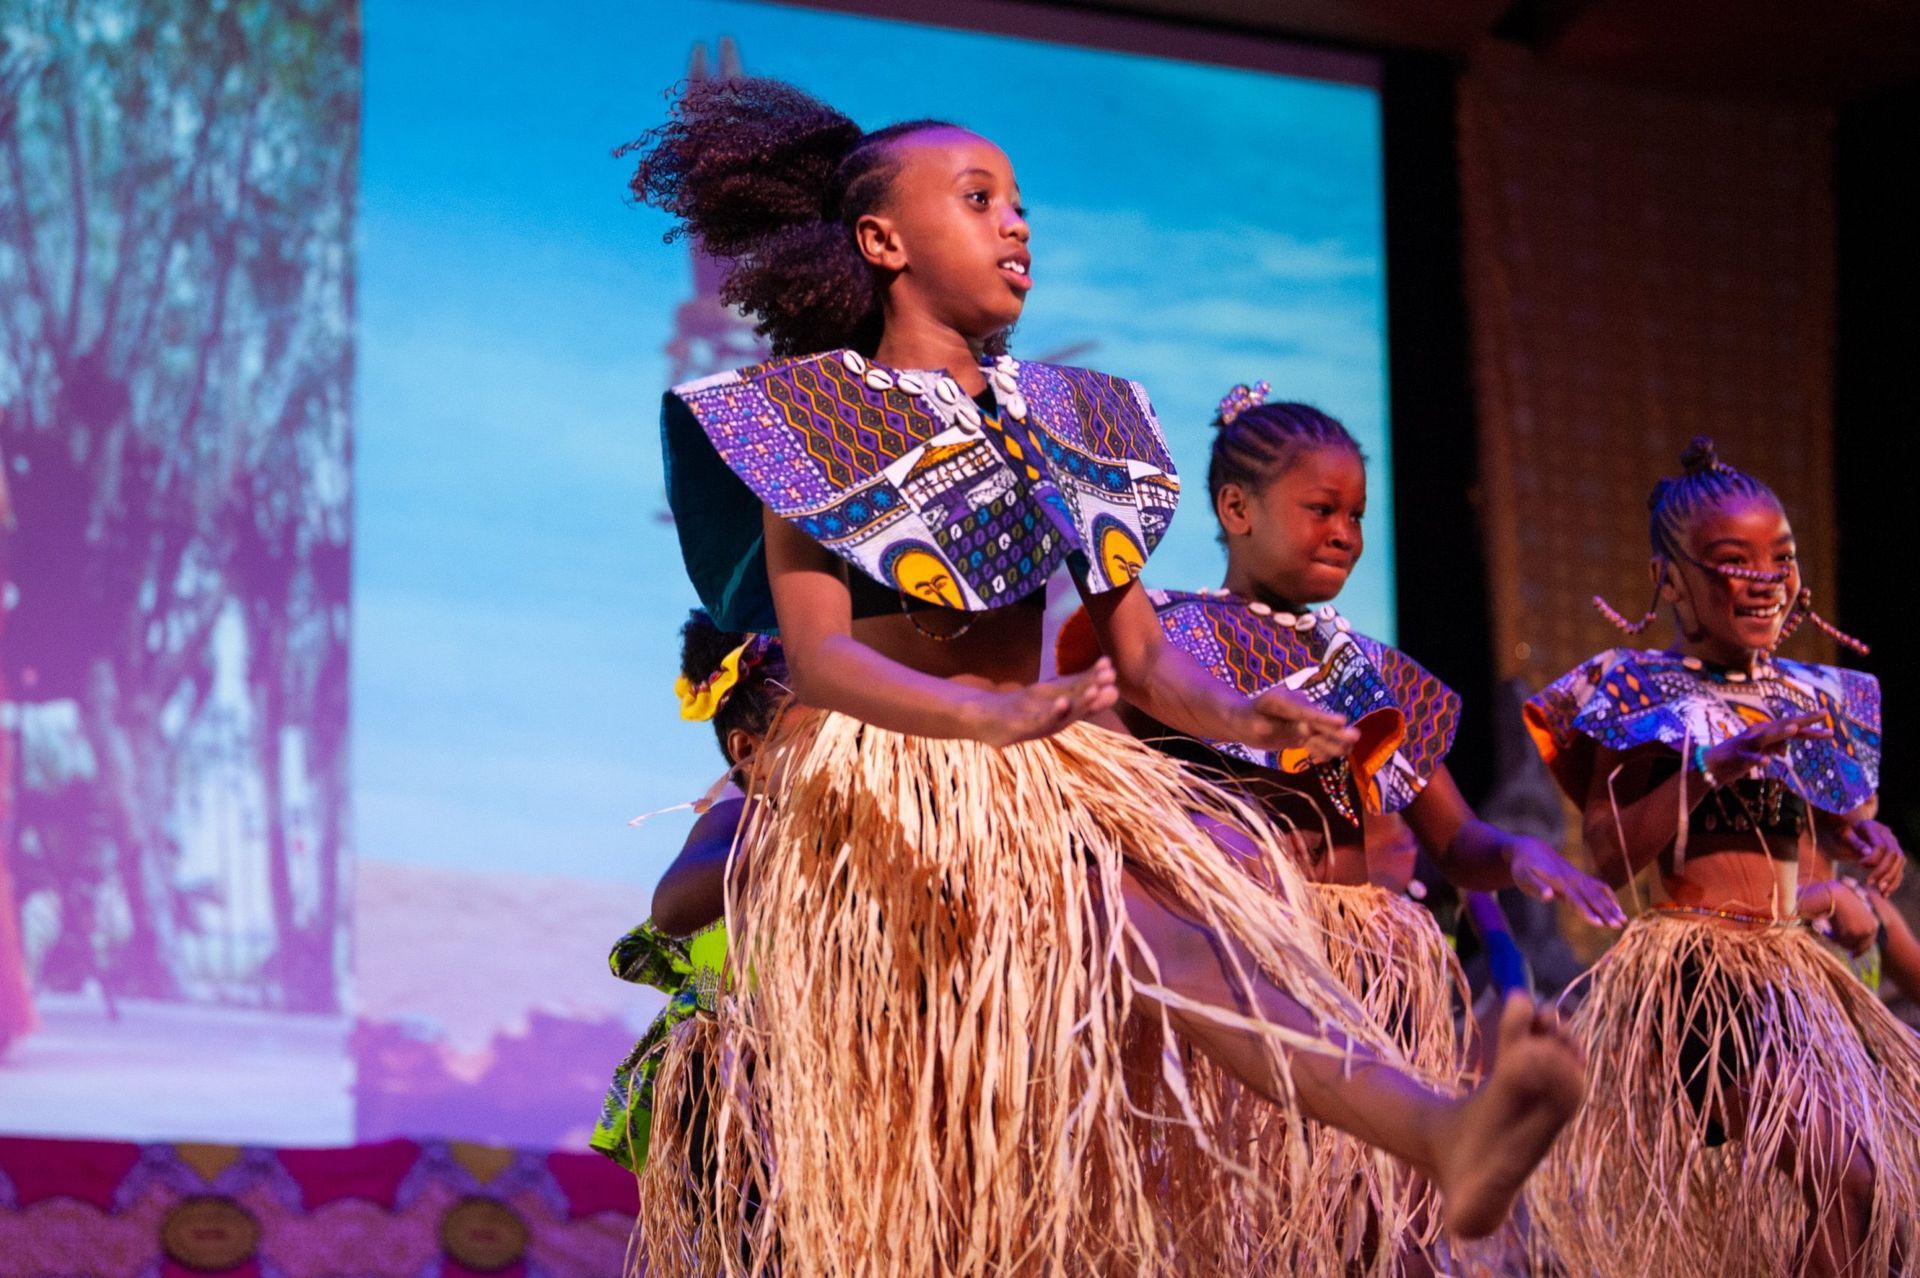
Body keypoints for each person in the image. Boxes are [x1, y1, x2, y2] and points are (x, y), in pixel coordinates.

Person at [625, 76, 1585, 1275]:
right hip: (882, 792)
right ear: (883, 243)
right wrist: (988, 711)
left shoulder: (1073, 423)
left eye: (1020, 202)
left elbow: (1142, 656)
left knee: (1180, 945)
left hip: (1030, 777)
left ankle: (1438, 1132)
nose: (1017, 223)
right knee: (985, 1089)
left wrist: (1240, 710)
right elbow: (819, 661)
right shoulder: (805, 420)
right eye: (979, 200)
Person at [1055, 386, 1620, 1271]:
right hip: (1236, 955)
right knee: (1246, 1222)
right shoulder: (1162, 640)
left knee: (1377, 1222)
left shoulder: (1371, 672)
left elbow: (1457, 842)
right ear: (1236, 509)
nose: (1347, 532)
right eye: (1320, 509)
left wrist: (1515, 853)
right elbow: (1099, 780)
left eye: (1356, 513)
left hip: (1361, 967)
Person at [1522, 438, 1920, 1277]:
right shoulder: (1634, 691)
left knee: (1877, 1195)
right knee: (1848, 1179)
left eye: (1782, 557)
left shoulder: (1816, 695)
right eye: (1734, 561)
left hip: (1796, 974)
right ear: (1671, 579)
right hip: (1704, 980)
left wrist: (1866, 842)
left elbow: (1819, 828)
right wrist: (1711, 768)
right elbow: (1607, 855)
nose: (1767, 579)